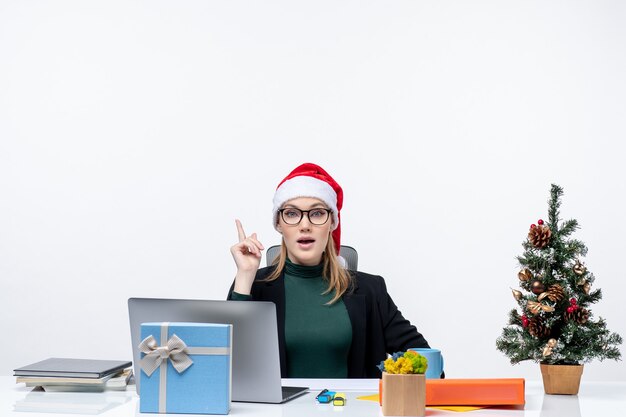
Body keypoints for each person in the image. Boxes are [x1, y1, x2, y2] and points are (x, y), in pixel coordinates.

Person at [228, 162, 430, 378]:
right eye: (292, 213)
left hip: (351, 410)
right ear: (278, 224)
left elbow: (426, 361)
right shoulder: (255, 285)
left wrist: (395, 383)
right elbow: (230, 369)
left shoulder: (371, 290)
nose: (305, 225)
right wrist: (245, 275)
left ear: (332, 222)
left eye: (316, 213)